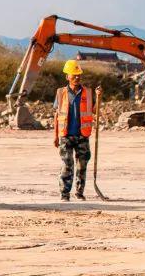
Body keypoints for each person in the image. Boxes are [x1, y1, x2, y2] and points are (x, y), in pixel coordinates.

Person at [53, 60, 94, 201]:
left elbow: (94, 110)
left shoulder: (88, 93)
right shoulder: (60, 93)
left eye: (78, 75)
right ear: (67, 76)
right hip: (65, 135)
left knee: (82, 166)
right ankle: (64, 194)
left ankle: (79, 192)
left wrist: (99, 97)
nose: (77, 78)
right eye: (74, 75)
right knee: (67, 165)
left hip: (83, 135)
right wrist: (55, 136)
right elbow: (57, 115)